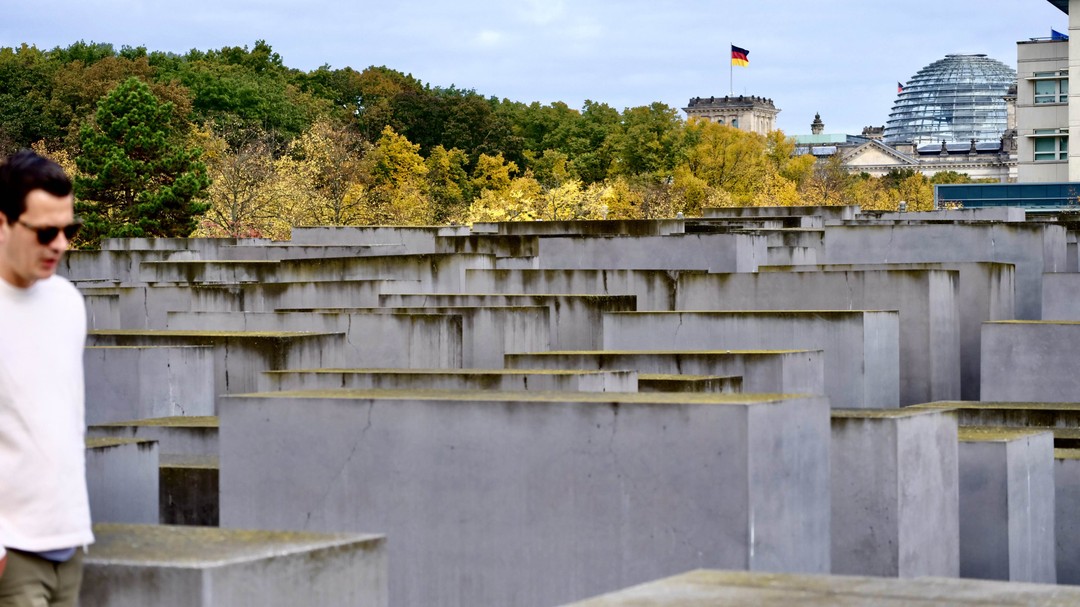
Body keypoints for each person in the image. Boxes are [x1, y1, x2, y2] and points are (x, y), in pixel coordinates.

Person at [0, 150, 93, 606]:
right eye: (45, 232)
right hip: (12, 556)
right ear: (3, 223)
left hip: (69, 543)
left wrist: (75, 527)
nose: (60, 244)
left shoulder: (68, 302)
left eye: (69, 230)